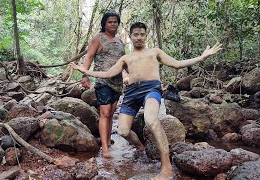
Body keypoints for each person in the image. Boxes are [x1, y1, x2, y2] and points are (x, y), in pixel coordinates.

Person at [71, 22, 222, 179]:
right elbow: (108, 73)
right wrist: (84, 71)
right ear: (130, 37)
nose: (139, 37)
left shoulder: (154, 52)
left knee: (151, 119)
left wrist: (202, 57)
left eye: (142, 34)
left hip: (151, 89)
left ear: (146, 36)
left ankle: (167, 168)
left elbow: (177, 64)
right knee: (123, 131)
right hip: (130, 93)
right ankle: (140, 146)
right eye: (135, 34)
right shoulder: (125, 58)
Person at [80, 11, 125, 158]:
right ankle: (104, 149)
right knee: (104, 113)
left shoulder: (120, 41)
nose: (113, 24)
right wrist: (84, 75)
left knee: (111, 113)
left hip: (117, 82)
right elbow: (89, 57)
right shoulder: (98, 39)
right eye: (110, 22)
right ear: (104, 24)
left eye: (115, 22)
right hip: (102, 81)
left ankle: (108, 142)